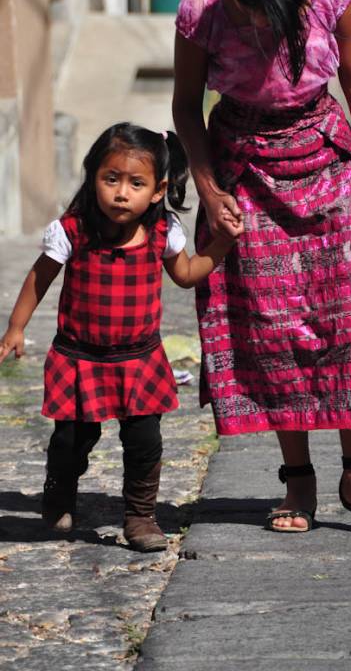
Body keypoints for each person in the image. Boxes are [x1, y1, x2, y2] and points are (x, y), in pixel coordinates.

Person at [173, 0, 351, 534]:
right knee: (275, 329)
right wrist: (206, 185)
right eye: (257, 11)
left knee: (350, 320)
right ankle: (297, 480)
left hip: (328, 161)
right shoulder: (202, 11)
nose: (266, 22)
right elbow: (185, 106)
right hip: (245, 174)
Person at [0, 123, 241, 551]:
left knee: (144, 441)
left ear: (157, 189)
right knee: (71, 440)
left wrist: (220, 245)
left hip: (139, 360)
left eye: (135, 183)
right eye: (111, 179)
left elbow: (186, 275)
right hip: (79, 359)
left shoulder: (163, 233)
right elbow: (39, 278)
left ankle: (140, 516)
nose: (121, 193)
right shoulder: (73, 231)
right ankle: (59, 493)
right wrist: (16, 328)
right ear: (93, 177)